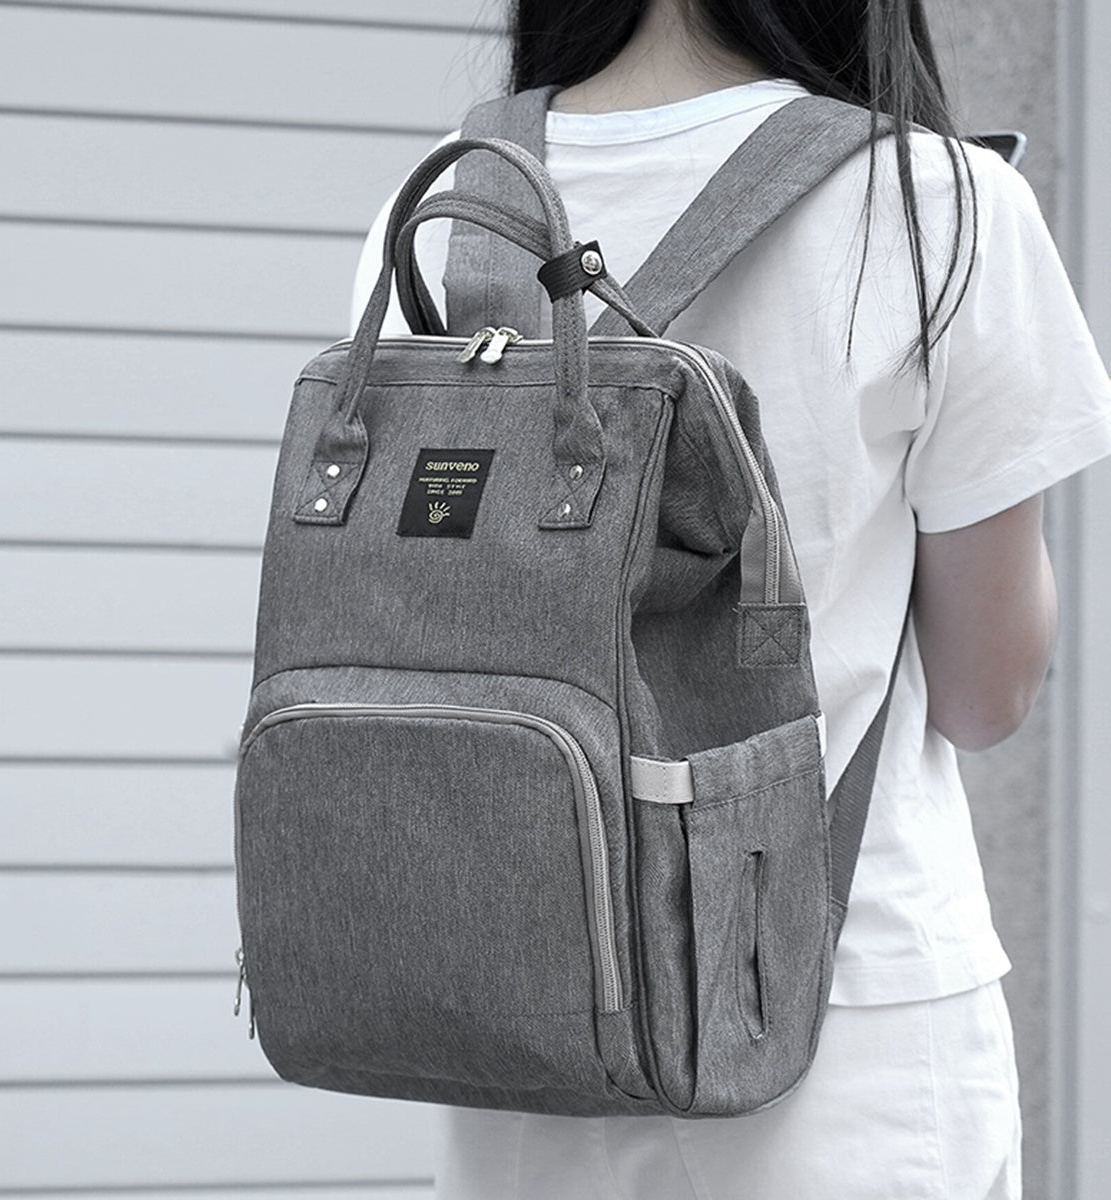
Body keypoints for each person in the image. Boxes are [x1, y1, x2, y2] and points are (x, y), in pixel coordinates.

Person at [349, 1, 1111, 1196]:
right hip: (841, 1020)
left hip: (526, 1013)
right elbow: (987, 692)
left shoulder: (455, 200)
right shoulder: (934, 202)